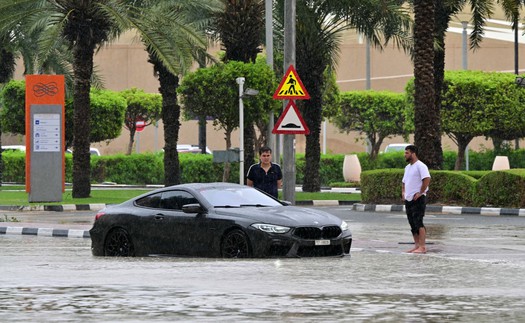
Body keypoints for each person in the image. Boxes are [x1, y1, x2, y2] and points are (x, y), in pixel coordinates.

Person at [402, 145, 431, 254]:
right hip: (408, 199)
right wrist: (403, 192)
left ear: (413, 153)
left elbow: (427, 179)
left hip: (418, 198)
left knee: (419, 222)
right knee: (412, 223)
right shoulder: (407, 167)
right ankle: (416, 245)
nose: (405, 155)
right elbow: (404, 181)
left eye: (407, 153)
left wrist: (420, 192)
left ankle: (422, 246)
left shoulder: (421, 166)